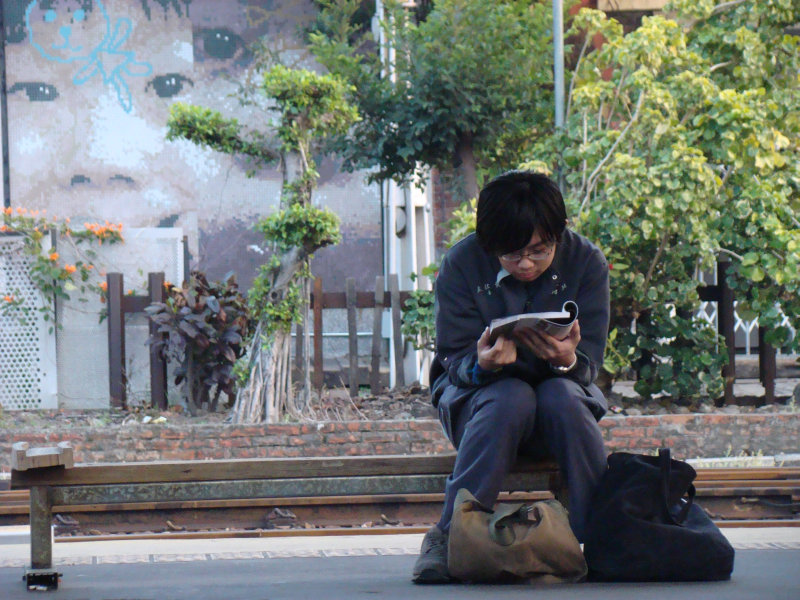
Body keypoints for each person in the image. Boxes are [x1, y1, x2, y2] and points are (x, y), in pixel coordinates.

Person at [412, 170, 610, 584]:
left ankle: (607, 537)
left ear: (559, 233)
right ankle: (449, 537)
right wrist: (482, 364)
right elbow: (451, 360)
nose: (525, 264)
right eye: (511, 253)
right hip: (482, 405)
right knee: (511, 397)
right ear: (490, 244)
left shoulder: (586, 261)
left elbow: (592, 366)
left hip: (562, 401)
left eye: (539, 251)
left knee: (562, 395)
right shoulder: (463, 264)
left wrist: (568, 360)